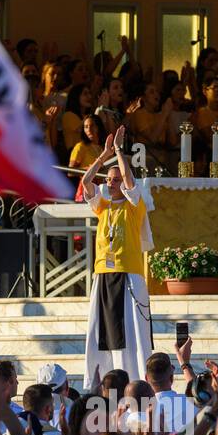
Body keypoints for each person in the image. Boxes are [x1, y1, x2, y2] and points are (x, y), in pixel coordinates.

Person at [81, 127, 153, 384]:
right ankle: (101, 382)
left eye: (113, 180)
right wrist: (103, 156)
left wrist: (120, 152)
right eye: (108, 180)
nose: (108, 183)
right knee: (100, 333)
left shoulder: (136, 206)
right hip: (103, 274)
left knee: (131, 336)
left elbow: (129, 180)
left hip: (129, 274)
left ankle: (136, 381)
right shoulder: (102, 207)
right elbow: (86, 182)